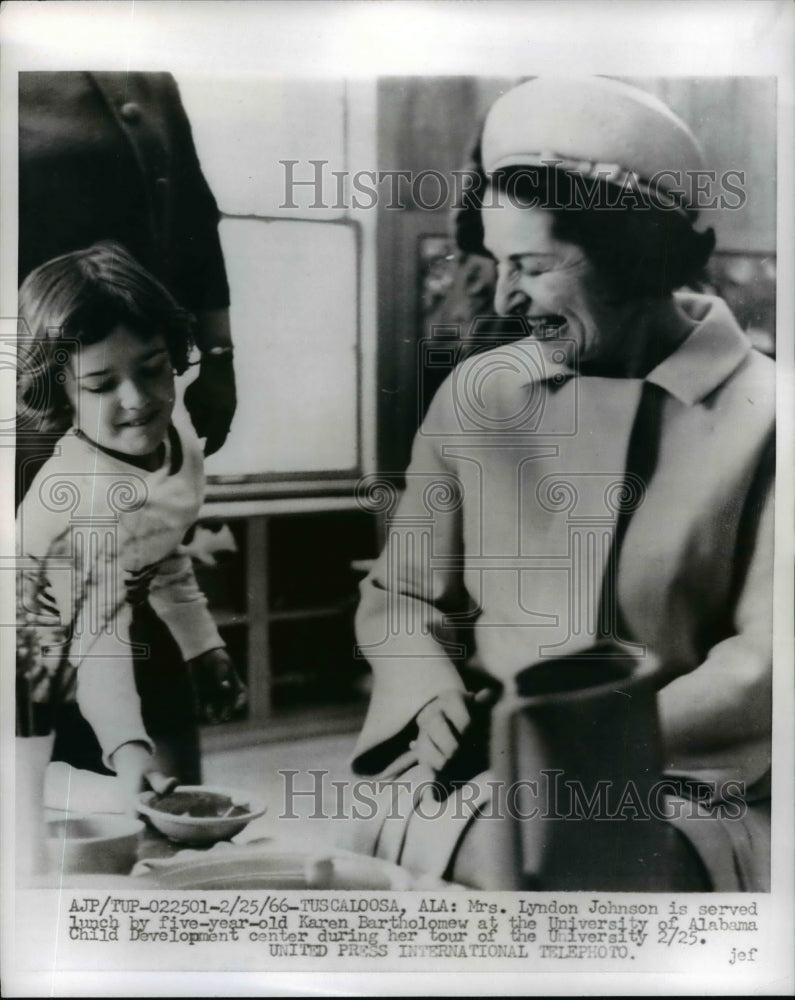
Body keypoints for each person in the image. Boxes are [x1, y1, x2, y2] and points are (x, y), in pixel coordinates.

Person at [352, 77, 774, 891]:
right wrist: (431, 697)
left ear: (632, 255)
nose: (507, 299)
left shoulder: (769, 416)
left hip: (686, 779)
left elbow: (768, 659)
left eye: (534, 266)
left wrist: (566, 740)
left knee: (564, 879)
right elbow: (401, 596)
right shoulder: (478, 395)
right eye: (498, 265)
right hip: (468, 774)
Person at [16, 242, 247, 804]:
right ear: (62, 392)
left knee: (165, 809)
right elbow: (97, 638)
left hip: (110, 630)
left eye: (153, 369)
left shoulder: (179, 439)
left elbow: (162, 551)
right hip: (28, 665)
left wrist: (202, 645)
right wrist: (127, 747)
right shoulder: (82, 497)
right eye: (100, 386)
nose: (138, 399)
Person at [17, 71, 236, 505]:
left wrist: (218, 358)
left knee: (143, 526)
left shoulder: (152, 79)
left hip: (136, 365)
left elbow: (194, 216)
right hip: (37, 383)